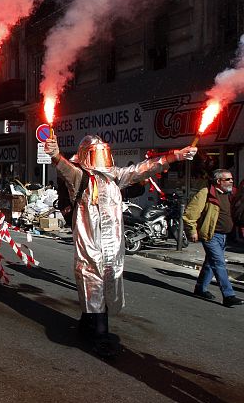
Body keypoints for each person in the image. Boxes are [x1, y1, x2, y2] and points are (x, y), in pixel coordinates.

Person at [44, 134, 196, 358]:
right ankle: (101, 336)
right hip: (90, 243)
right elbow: (64, 168)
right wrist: (55, 154)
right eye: (97, 152)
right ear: (87, 155)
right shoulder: (80, 177)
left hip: (113, 246)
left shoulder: (115, 177)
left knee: (108, 282)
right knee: (92, 281)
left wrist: (175, 156)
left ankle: (87, 325)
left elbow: (145, 168)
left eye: (104, 150)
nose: (103, 156)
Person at [183, 169, 244, 307]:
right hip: (211, 235)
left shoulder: (232, 193)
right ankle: (228, 295)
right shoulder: (206, 193)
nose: (231, 181)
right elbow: (189, 214)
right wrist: (192, 231)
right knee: (219, 263)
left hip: (224, 236)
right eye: (228, 179)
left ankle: (200, 288)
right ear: (218, 181)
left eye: (232, 179)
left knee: (210, 263)